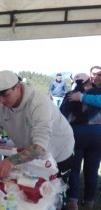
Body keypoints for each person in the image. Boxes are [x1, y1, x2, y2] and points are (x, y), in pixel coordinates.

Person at [0, 70, 74, 208]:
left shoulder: (39, 104)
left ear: (18, 87)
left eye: (5, 95)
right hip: (33, 156)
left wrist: (10, 161)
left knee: (53, 197)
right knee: (30, 196)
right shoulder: (0, 106)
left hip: (59, 153)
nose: (1, 101)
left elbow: (39, 147)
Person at [62, 69, 101, 210]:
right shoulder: (98, 94)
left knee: (74, 169)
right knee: (92, 169)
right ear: (89, 81)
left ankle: (73, 201)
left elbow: (62, 118)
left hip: (76, 133)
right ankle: (89, 202)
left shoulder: (69, 95)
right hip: (98, 133)